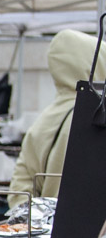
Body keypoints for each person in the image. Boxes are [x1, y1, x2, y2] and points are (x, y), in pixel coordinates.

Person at [8, 29, 106, 208]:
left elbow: (19, 192)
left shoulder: (41, 123)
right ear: (98, 63)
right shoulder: (99, 117)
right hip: (96, 233)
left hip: (50, 232)